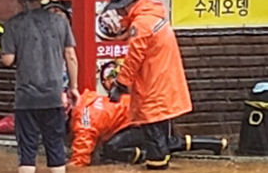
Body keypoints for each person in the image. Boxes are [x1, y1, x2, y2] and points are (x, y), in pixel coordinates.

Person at [100, 0, 193, 170]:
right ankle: (161, 171)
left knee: (154, 140)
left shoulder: (141, 24)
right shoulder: (151, 17)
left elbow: (134, 57)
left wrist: (120, 84)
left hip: (153, 88)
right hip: (163, 84)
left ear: (125, 6)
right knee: (160, 135)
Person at [69, 66, 227, 167]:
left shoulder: (84, 122)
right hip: (146, 110)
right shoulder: (88, 98)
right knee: (166, 142)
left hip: (141, 118)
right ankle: (215, 143)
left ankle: (140, 156)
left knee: (115, 148)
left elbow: (80, 157)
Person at [1, 0, 80, 173]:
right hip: (53, 96)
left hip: (26, 98)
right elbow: (70, 56)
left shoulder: (13, 24)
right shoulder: (59, 22)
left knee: (27, 151)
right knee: (55, 147)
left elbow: (7, 60)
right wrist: (73, 88)